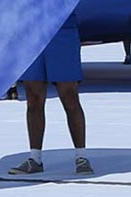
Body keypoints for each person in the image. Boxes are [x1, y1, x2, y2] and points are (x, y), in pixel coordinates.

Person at [7, 13, 91, 176]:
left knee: (69, 96)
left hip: (61, 29)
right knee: (33, 98)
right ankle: (35, 158)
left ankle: (81, 157)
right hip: (31, 32)